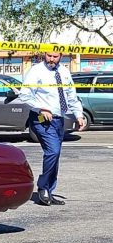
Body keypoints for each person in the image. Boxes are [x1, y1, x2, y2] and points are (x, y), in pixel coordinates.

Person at [19, 50, 86, 206]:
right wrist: (41, 108)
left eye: (55, 57)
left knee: (55, 156)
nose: (51, 59)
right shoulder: (36, 71)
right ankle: (43, 188)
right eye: (49, 56)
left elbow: (70, 95)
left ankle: (49, 190)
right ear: (44, 55)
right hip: (41, 118)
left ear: (60, 56)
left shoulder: (64, 72)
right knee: (53, 151)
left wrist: (79, 115)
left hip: (58, 119)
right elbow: (24, 95)